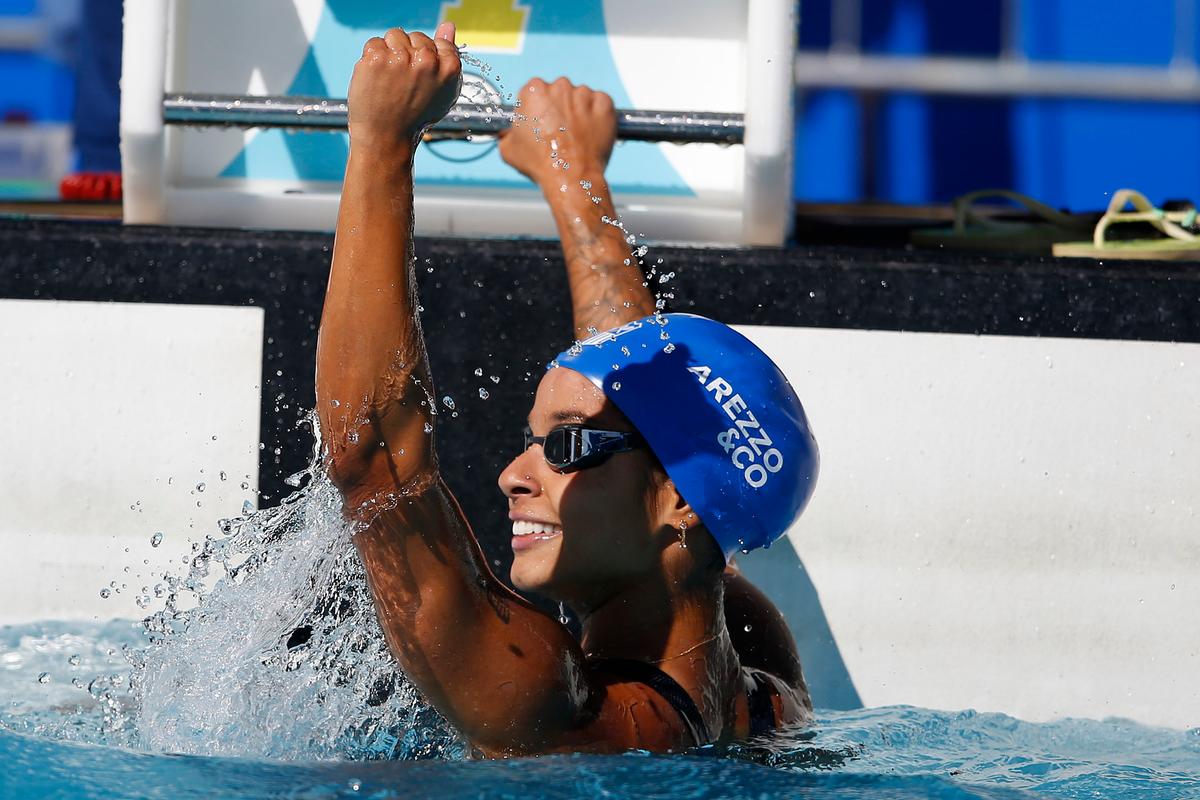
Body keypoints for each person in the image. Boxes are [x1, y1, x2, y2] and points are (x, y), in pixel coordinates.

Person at [316, 23, 818, 757]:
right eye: (534, 443)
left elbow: (372, 465)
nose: (512, 476)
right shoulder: (762, 680)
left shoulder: (561, 711)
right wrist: (572, 174)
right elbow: (651, 397)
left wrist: (382, 146)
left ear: (679, 499)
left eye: (568, 447)